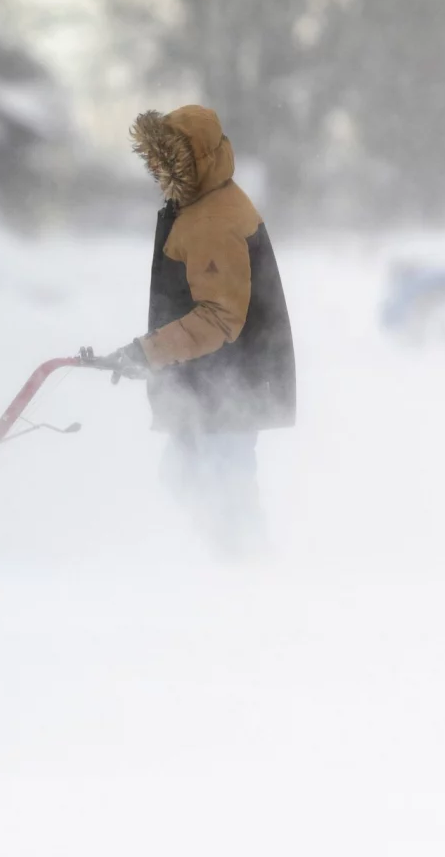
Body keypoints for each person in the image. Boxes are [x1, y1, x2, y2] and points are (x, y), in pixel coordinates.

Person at [100, 106, 296, 556]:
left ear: (195, 160)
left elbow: (219, 317)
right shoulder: (204, 204)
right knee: (185, 481)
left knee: (222, 490)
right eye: (153, 159)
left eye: (166, 160)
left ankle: (245, 577)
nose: (155, 169)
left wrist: (146, 353)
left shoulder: (213, 220)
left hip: (228, 386)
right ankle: (219, 569)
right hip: (208, 384)